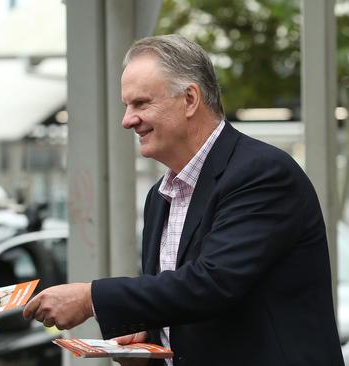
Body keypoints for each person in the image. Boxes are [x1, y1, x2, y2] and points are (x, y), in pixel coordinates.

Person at [23, 34, 344, 366]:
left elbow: (213, 283)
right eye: (126, 105)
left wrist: (91, 297)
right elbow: (183, 304)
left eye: (141, 103)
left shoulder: (262, 173)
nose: (127, 120)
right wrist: (150, 346)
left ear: (190, 98)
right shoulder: (158, 197)